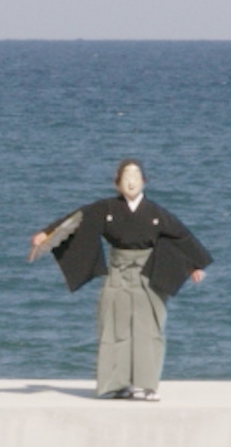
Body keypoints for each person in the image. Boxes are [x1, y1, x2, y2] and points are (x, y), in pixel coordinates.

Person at [30, 159, 211, 400]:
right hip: (117, 272)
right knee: (114, 326)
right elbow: (77, 219)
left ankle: (146, 385)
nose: (131, 181)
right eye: (126, 177)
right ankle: (116, 384)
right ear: (117, 184)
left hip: (148, 272)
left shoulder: (155, 212)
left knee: (149, 328)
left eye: (136, 176)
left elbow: (180, 236)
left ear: (144, 181)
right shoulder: (106, 209)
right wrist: (47, 233)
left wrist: (193, 265)